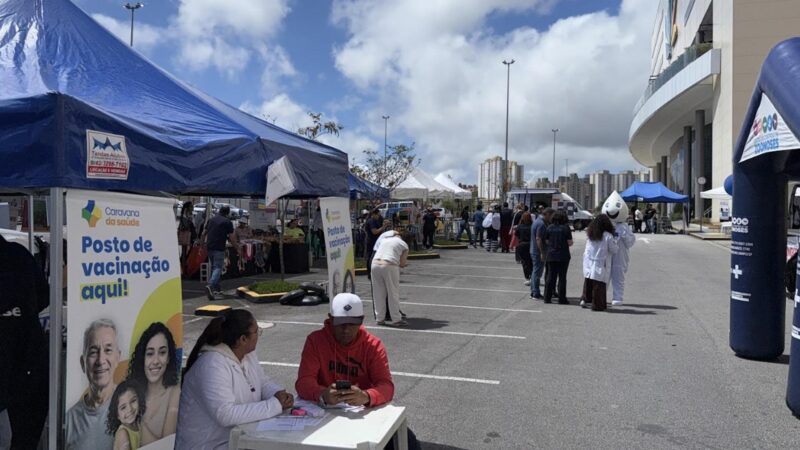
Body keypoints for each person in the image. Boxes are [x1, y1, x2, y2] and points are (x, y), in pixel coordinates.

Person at [295, 294, 420, 450]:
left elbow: (386, 385)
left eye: (353, 323)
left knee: (407, 441)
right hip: (324, 412)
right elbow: (304, 382)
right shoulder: (316, 340)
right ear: (331, 319)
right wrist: (322, 394)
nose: (346, 330)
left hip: (361, 413)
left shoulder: (373, 345)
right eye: (340, 323)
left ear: (361, 320)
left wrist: (366, 396)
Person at [176, 309, 293, 450]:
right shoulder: (212, 365)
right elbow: (225, 414)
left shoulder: (247, 354)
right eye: (257, 332)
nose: (258, 336)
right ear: (243, 339)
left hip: (236, 440)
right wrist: (275, 405)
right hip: (208, 445)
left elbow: (262, 383)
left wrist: (278, 394)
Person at [0, 235, 49, 450]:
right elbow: (44, 297)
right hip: (29, 361)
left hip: (17, 359)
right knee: (26, 438)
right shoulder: (20, 255)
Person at [66, 319, 122, 450]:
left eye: (108, 350)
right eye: (93, 352)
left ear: (118, 357)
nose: (100, 360)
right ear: (82, 363)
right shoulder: (69, 420)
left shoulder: (130, 410)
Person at [127, 322, 180, 445]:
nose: (156, 361)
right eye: (150, 354)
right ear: (142, 358)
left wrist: (136, 419)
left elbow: (167, 444)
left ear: (168, 358)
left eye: (162, 353)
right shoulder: (132, 394)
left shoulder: (174, 392)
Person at [601, 191, 636, 307]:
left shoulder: (624, 227)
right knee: (603, 277)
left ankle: (617, 297)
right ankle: (600, 296)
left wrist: (623, 235)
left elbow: (630, 242)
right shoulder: (603, 226)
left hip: (619, 257)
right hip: (606, 256)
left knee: (618, 277)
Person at [581, 214, 619, 311]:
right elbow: (614, 250)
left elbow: (587, 249)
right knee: (599, 284)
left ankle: (585, 300)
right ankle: (597, 305)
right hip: (601, 262)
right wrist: (616, 241)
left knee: (588, 281)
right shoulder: (608, 236)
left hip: (589, 261)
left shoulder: (591, 233)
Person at [371, 230, 409, 327]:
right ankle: (396, 319)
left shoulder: (384, 240)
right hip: (389, 265)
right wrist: (404, 264)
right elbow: (402, 264)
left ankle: (379, 318)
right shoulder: (404, 245)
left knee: (378, 293)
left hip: (374, 264)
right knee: (393, 293)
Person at [203, 205, 239, 300]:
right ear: (227, 213)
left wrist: (202, 245)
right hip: (219, 247)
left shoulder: (211, 220)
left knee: (214, 267)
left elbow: (203, 233)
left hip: (210, 247)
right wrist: (237, 248)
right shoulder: (227, 222)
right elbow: (232, 238)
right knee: (218, 267)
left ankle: (217, 289)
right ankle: (210, 285)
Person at [542, 210, 573, 304]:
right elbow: (570, 242)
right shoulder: (566, 228)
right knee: (562, 277)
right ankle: (562, 298)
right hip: (563, 255)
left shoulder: (549, 227)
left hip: (551, 254)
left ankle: (547, 297)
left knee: (551, 276)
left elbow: (546, 241)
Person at [105, 379, 146, 450]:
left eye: (133, 401)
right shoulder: (123, 433)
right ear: (117, 415)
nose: (129, 409)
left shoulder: (139, 424)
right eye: (123, 407)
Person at [529, 208, 553, 299]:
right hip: (538, 251)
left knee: (535, 272)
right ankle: (535, 292)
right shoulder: (541, 224)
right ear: (547, 214)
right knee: (537, 273)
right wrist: (542, 252)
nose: (551, 218)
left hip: (534, 250)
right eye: (551, 216)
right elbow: (538, 239)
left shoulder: (537, 221)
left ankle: (533, 291)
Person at [364, 209, 389, 278]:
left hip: (376, 241)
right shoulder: (371, 221)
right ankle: (370, 273)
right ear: (374, 214)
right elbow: (374, 231)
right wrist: (383, 227)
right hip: (371, 241)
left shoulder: (376, 220)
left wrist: (384, 225)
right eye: (378, 214)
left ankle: (374, 272)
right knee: (370, 257)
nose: (379, 216)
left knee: (375, 256)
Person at [177, 201, 197, 275]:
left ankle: (185, 269)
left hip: (190, 237)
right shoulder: (185, 217)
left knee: (186, 253)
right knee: (184, 253)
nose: (193, 208)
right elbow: (185, 227)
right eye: (191, 206)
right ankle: (183, 270)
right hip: (186, 238)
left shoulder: (189, 216)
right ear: (187, 208)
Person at [515, 212, 534, 285]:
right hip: (531, 244)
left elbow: (517, 235)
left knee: (524, 262)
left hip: (522, 245)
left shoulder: (520, 226)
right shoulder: (532, 226)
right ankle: (532, 276)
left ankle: (527, 277)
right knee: (531, 261)